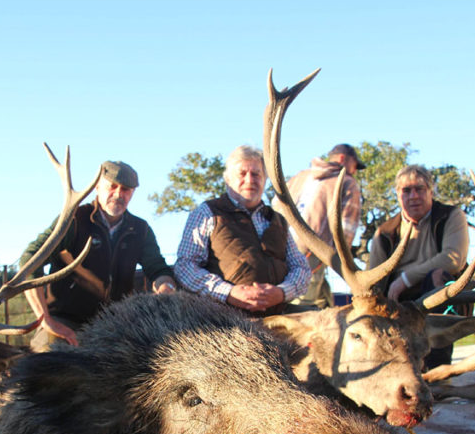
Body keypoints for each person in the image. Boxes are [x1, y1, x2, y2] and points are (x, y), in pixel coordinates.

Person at [23, 159, 175, 350]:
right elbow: (30, 259)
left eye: (126, 189)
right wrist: (45, 320)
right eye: (112, 186)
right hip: (66, 322)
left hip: (116, 324)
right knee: (48, 358)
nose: (118, 194)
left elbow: (157, 268)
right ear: (97, 187)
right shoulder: (74, 219)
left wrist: (166, 287)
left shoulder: (140, 229)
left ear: (133, 193)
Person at [174, 145, 310, 315]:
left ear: (265, 179)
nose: (250, 180)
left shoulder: (279, 220)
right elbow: (185, 265)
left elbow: (301, 268)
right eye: (242, 174)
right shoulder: (208, 213)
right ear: (228, 180)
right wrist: (228, 293)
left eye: (256, 174)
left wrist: (282, 292)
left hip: (276, 318)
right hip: (223, 321)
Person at [367, 163, 469, 367]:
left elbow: (453, 259)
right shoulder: (385, 232)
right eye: (406, 190)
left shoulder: (450, 217)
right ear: (397, 194)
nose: (413, 196)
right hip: (398, 303)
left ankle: (437, 366)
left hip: (441, 296)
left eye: (420, 189)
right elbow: (373, 280)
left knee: (438, 275)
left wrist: (404, 280)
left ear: (431, 191)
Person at [276, 143, 363, 309]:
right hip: (313, 253)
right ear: (343, 159)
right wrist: (342, 262)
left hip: (282, 248)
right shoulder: (347, 181)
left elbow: (276, 204)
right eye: (355, 166)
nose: (355, 171)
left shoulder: (301, 176)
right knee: (303, 306)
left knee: (321, 299)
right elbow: (347, 227)